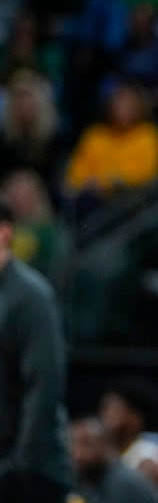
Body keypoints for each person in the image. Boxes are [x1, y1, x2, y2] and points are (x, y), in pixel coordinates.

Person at [0, 197, 72, 502]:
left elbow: (43, 385)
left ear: (4, 233)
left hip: (27, 475)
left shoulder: (30, 295)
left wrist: (20, 467)